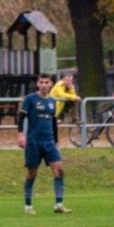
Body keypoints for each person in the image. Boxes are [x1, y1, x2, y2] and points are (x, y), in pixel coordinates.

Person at [17, 74, 69, 214]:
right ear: (37, 84)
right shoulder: (30, 99)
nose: (44, 85)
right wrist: (21, 134)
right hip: (34, 142)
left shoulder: (52, 101)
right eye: (41, 82)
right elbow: (21, 117)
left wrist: (56, 141)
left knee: (59, 169)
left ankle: (58, 204)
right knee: (31, 174)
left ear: (51, 84)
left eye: (47, 82)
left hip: (49, 142)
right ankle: (28, 205)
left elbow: (53, 122)